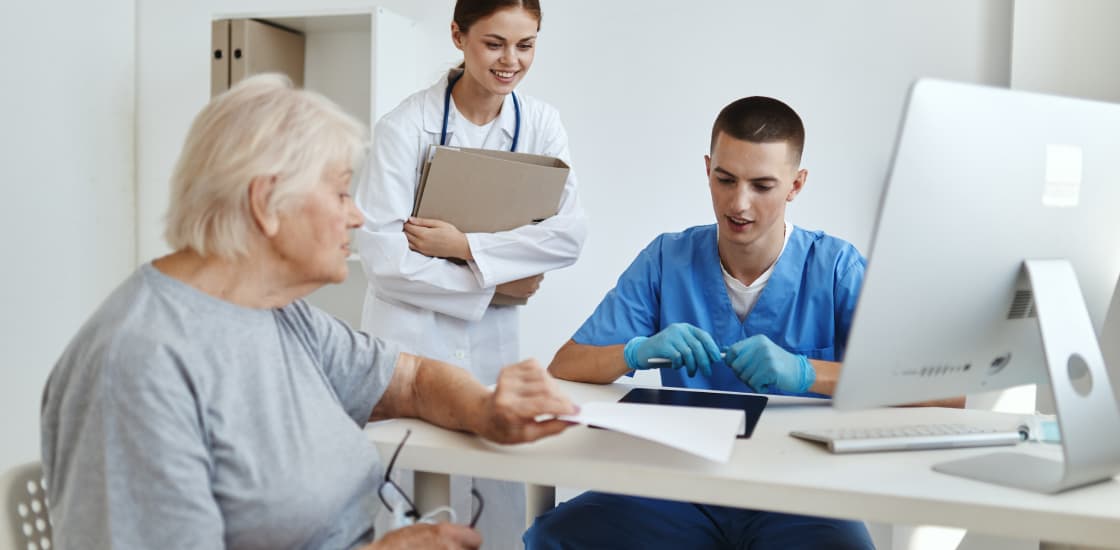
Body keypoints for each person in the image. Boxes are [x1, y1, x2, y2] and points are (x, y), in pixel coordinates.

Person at [39, 73, 577, 550]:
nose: (359, 216)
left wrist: (486, 410)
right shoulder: (138, 366)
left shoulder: (275, 314)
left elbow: (409, 380)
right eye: (342, 192)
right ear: (266, 203)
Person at [523, 97, 876, 549]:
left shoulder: (836, 269)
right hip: (682, 489)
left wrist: (809, 373)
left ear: (796, 185)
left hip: (802, 495)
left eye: (762, 185)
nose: (739, 203)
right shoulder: (668, 260)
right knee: (557, 537)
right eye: (724, 180)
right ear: (707, 168)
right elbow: (567, 366)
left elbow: (934, 393)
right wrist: (635, 351)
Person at [354, 1, 586, 545]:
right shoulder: (404, 127)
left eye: (525, 45)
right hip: (410, 342)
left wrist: (463, 247)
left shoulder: (541, 124)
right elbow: (385, 260)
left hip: (489, 351)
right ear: (458, 36)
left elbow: (568, 234)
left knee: (492, 512)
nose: (511, 60)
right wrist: (496, 283)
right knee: (409, 509)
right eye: (494, 43)